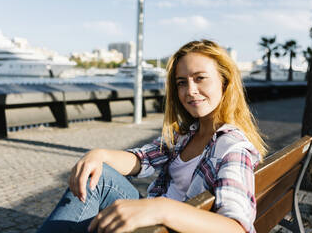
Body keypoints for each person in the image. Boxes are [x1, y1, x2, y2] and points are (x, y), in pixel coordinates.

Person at [37, 39, 267, 233]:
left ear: (225, 83)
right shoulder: (186, 136)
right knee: (99, 176)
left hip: (167, 225)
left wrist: (162, 209)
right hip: (157, 220)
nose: (190, 90)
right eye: (181, 82)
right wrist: (100, 154)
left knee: (97, 185)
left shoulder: (232, 147)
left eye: (199, 78)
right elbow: (142, 159)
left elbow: (238, 228)